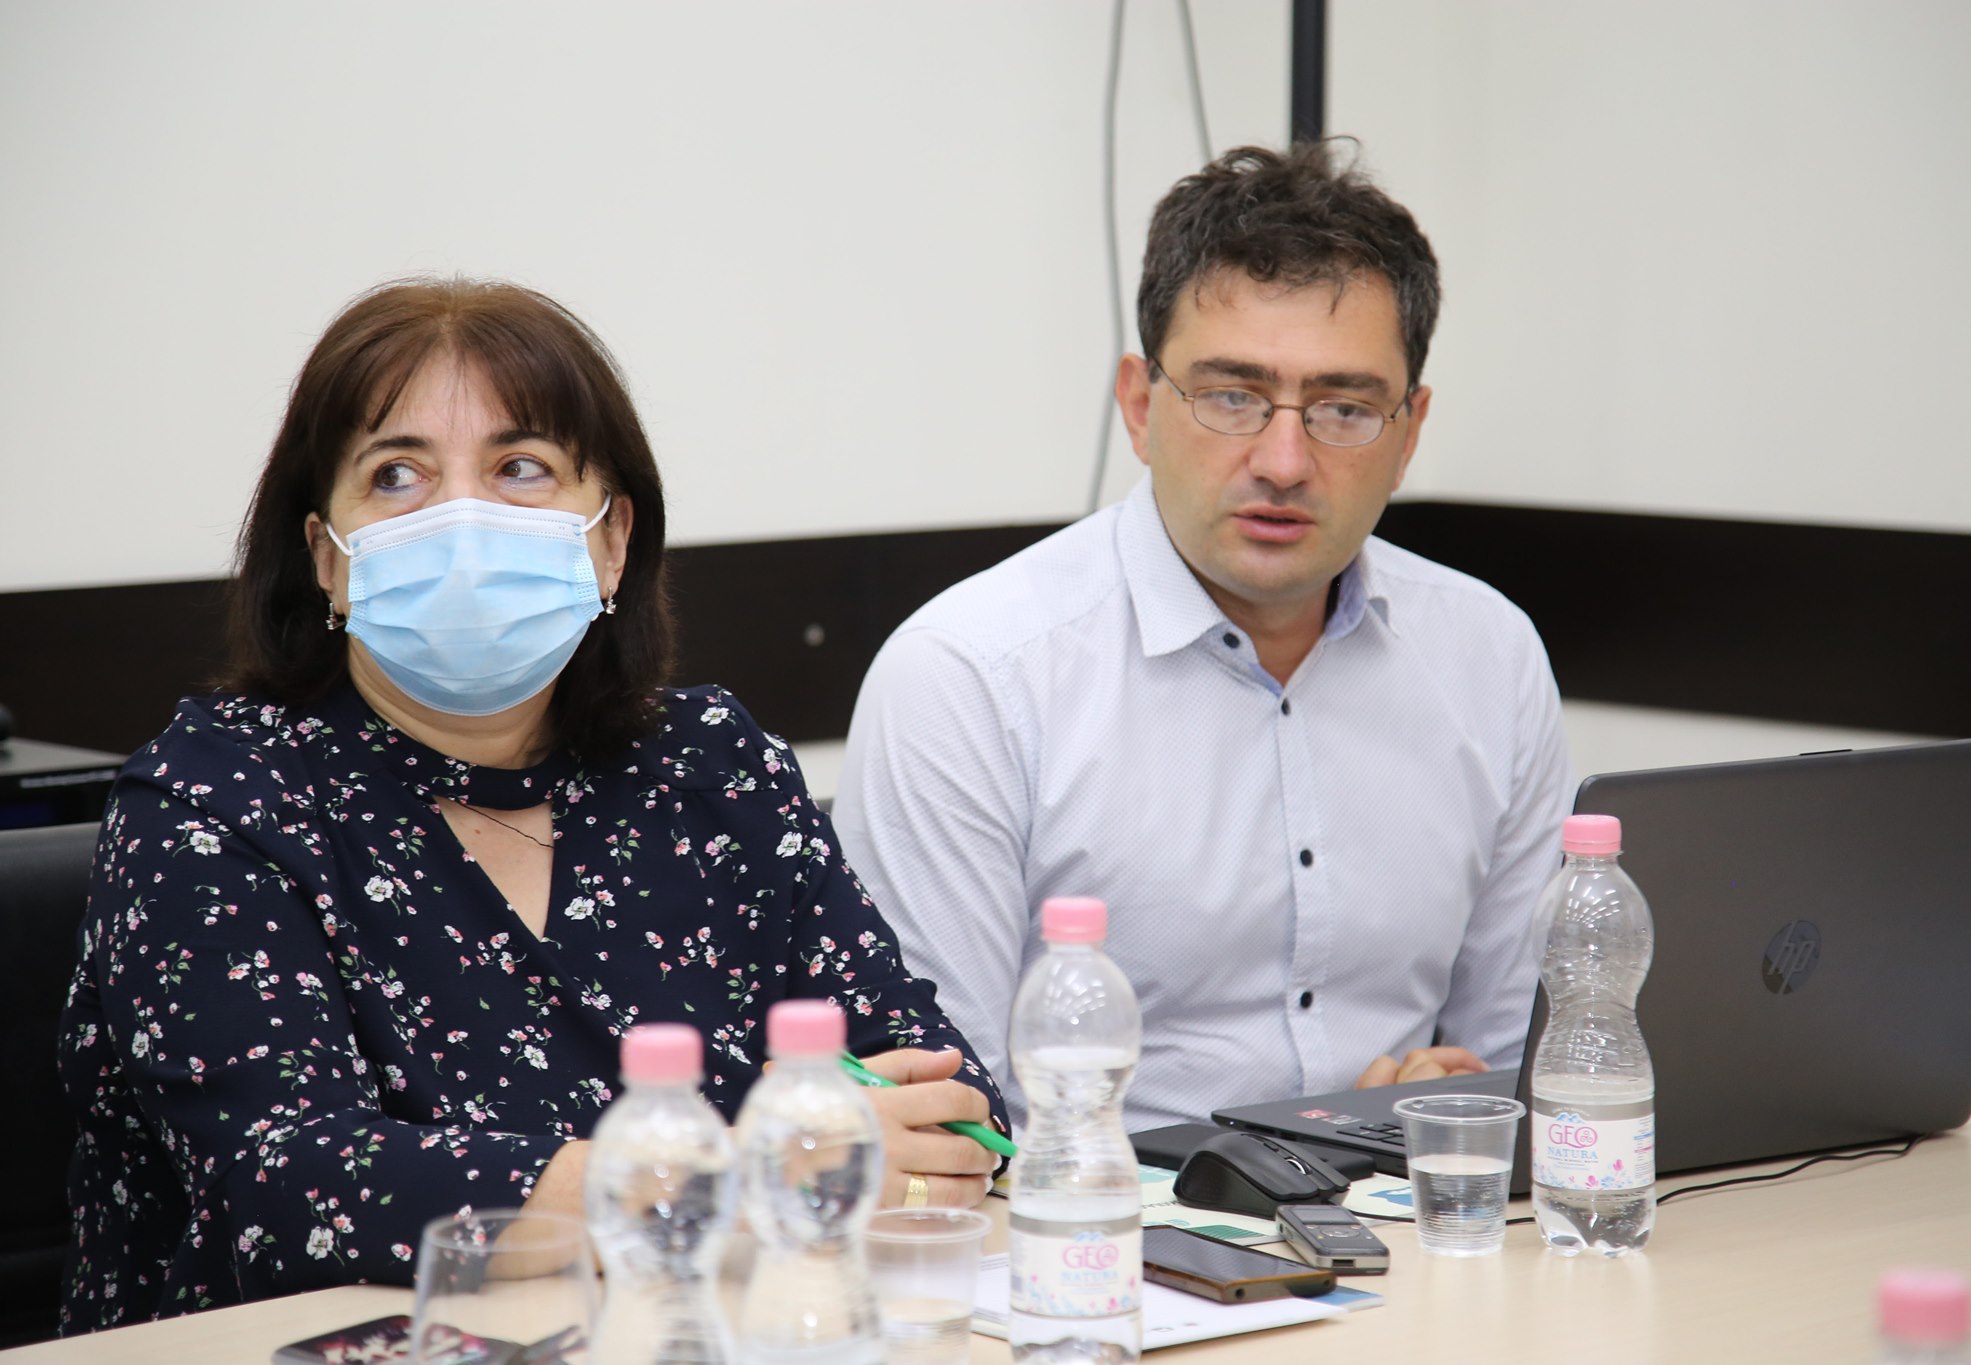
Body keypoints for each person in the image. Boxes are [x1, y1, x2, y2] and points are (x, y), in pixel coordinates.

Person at [58, 279, 1005, 1332]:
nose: (463, 521)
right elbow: (294, 1183)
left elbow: (941, 1091)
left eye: (521, 468)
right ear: (329, 558)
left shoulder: (712, 765)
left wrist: (895, 1141)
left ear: (611, 537)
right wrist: (734, 1177)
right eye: (398, 474)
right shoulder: (214, 800)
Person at [836, 143, 1574, 1133]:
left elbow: (1521, 1074)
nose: (1283, 460)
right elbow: (954, 1118)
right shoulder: (969, 677)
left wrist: (1418, 1117)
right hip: (1097, 1213)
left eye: (1344, 408)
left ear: (1408, 433)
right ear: (1140, 406)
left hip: (1393, 1210)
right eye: (1232, 397)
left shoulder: (1490, 655)